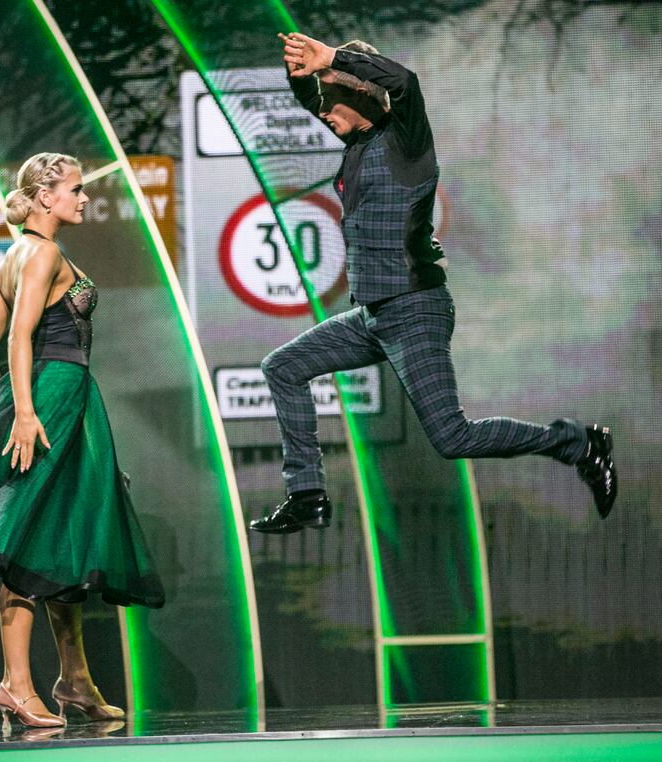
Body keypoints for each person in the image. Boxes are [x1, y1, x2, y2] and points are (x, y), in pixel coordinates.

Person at [250, 34, 616, 534]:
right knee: (284, 367)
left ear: (360, 95)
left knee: (453, 436)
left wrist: (332, 58)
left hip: (415, 310)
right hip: (373, 315)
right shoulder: (356, 142)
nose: (320, 109)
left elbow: (405, 83)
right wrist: (300, 78)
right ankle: (307, 495)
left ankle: (577, 443)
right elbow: (321, 101)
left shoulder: (406, 143)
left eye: (328, 96)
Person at [0, 152, 164, 732]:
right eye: (75, 189)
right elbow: (16, 337)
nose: (84, 198)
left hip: (59, 407)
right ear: (44, 196)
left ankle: (75, 680)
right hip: (53, 405)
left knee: (61, 539)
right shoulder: (41, 252)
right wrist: (23, 413)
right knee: (19, 544)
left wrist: (4, 408)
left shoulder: (13, 256)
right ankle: (15, 684)